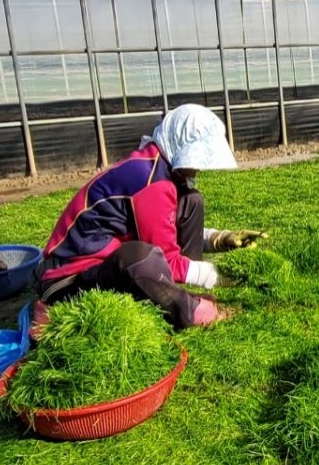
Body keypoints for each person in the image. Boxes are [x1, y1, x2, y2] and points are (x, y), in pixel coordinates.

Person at [33, 104, 266, 329]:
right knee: (140, 257)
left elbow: (163, 226)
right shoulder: (150, 180)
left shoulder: (157, 167)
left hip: (102, 267)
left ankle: (179, 291)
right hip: (66, 281)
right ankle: (189, 311)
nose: (196, 170)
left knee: (191, 201)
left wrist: (218, 238)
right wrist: (217, 275)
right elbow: (166, 255)